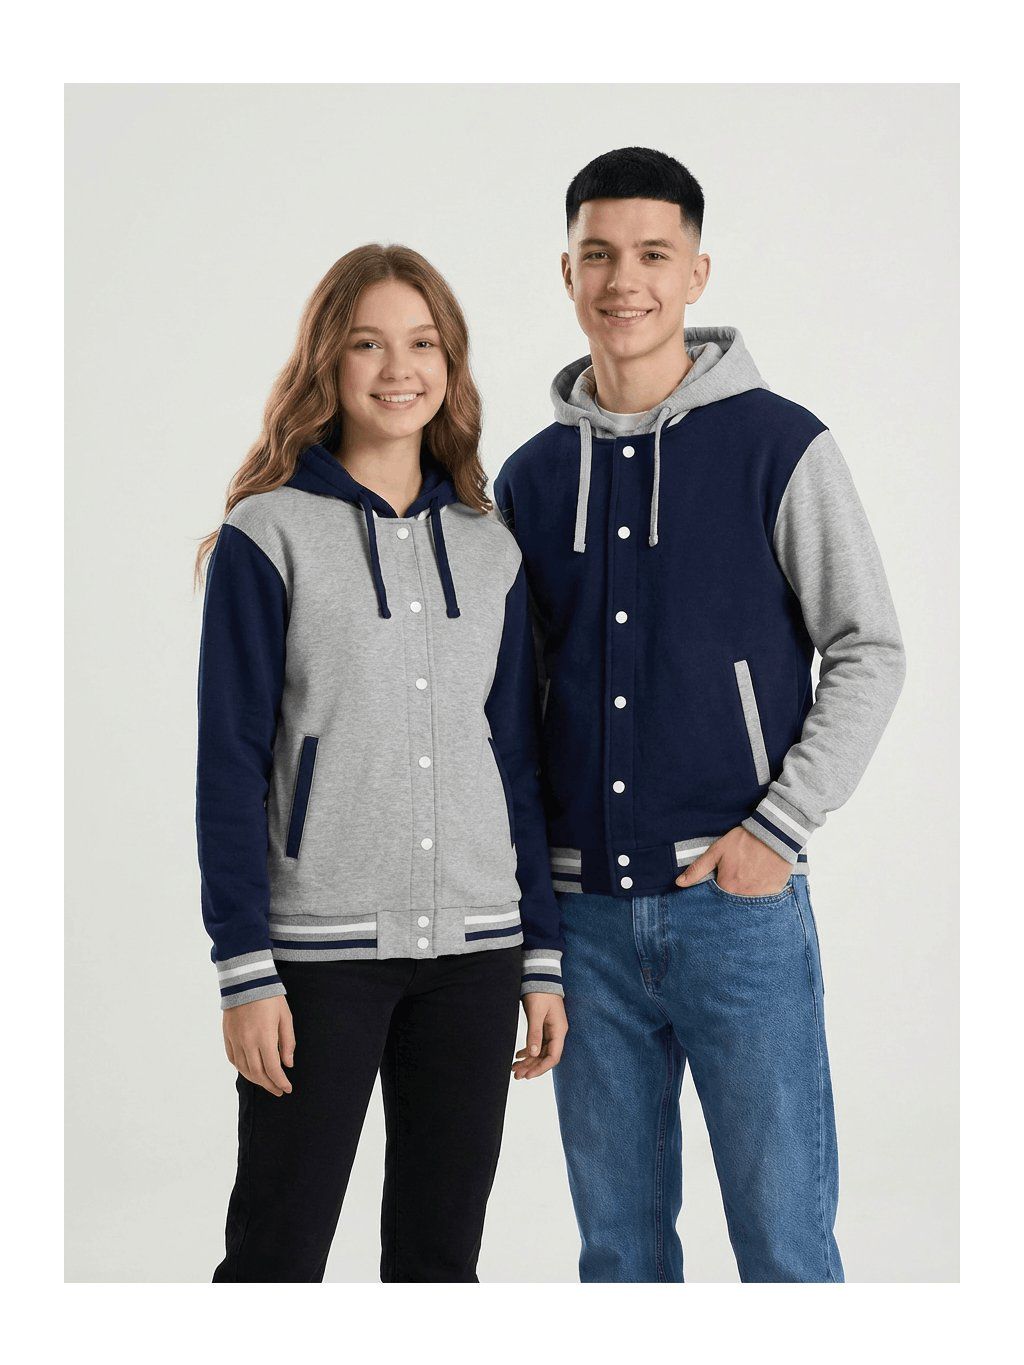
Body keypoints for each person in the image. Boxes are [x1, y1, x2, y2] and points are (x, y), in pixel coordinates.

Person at [494, 146, 906, 1283]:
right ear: (567, 273)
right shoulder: (529, 480)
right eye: (597, 256)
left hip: (739, 914)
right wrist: (532, 925)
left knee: (784, 1246)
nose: (623, 280)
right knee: (619, 1254)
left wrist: (777, 829)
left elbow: (869, 647)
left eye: (651, 254)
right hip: (583, 928)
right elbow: (510, 715)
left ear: (696, 273)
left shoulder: (780, 444)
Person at [195, 244, 567, 1283]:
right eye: (368, 343)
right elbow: (228, 764)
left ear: (451, 363)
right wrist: (243, 967)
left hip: (479, 952)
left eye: (422, 343)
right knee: (275, 1257)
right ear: (328, 360)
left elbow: (517, 762)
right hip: (318, 956)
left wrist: (541, 953)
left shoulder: (492, 546)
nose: (398, 368)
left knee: (440, 1263)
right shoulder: (266, 535)